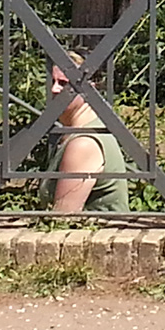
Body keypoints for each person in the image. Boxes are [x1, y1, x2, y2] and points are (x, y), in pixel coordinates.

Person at [42, 52, 131, 213]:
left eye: (63, 83)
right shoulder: (76, 132)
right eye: (52, 82)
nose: (54, 89)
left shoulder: (83, 144)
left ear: (89, 88)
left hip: (100, 229)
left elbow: (62, 217)